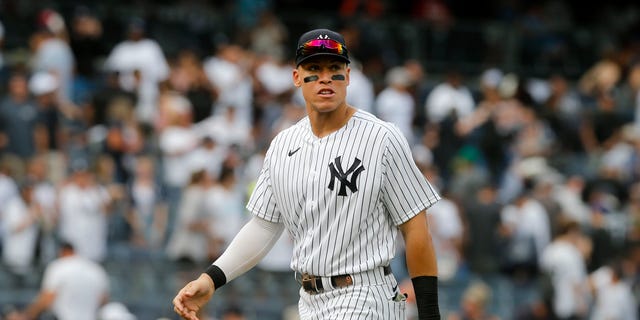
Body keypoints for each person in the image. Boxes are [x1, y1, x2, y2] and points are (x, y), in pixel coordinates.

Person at [173, 28, 441, 320]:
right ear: (297, 77)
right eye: (314, 68)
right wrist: (211, 278)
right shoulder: (282, 144)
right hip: (309, 301)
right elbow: (263, 227)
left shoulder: (382, 137)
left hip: (366, 295)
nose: (325, 77)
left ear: (348, 76)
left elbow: (415, 227)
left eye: (334, 68)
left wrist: (430, 314)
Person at [11, 241, 110, 320]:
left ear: (63, 251)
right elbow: (104, 301)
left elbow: (47, 298)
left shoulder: (58, 266)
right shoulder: (96, 269)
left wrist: (27, 315)